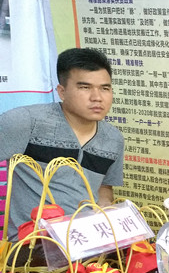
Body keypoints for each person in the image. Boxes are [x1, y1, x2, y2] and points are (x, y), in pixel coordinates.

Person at [0, 48, 124, 242]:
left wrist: (107, 216)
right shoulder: (26, 122)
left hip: (86, 242)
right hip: (31, 246)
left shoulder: (113, 139)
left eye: (105, 88)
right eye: (85, 87)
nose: (97, 97)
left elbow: (104, 189)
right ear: (62, 91)